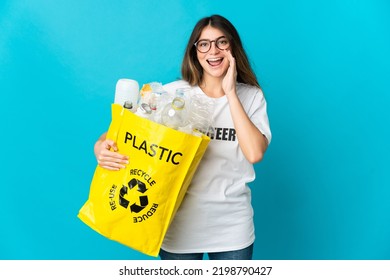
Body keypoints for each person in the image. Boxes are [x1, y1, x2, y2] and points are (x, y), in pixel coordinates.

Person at [94, 14, 272, 260]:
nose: (213, 50)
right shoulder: (173, 96)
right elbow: (124, 129)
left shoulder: (251, 97)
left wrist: (231, 93)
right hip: (178, 228)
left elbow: (254, 152)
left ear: (233, 48)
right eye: (204, 44)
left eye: (222, 42)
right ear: (195, 52)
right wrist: (101, 147)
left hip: (232, 229)